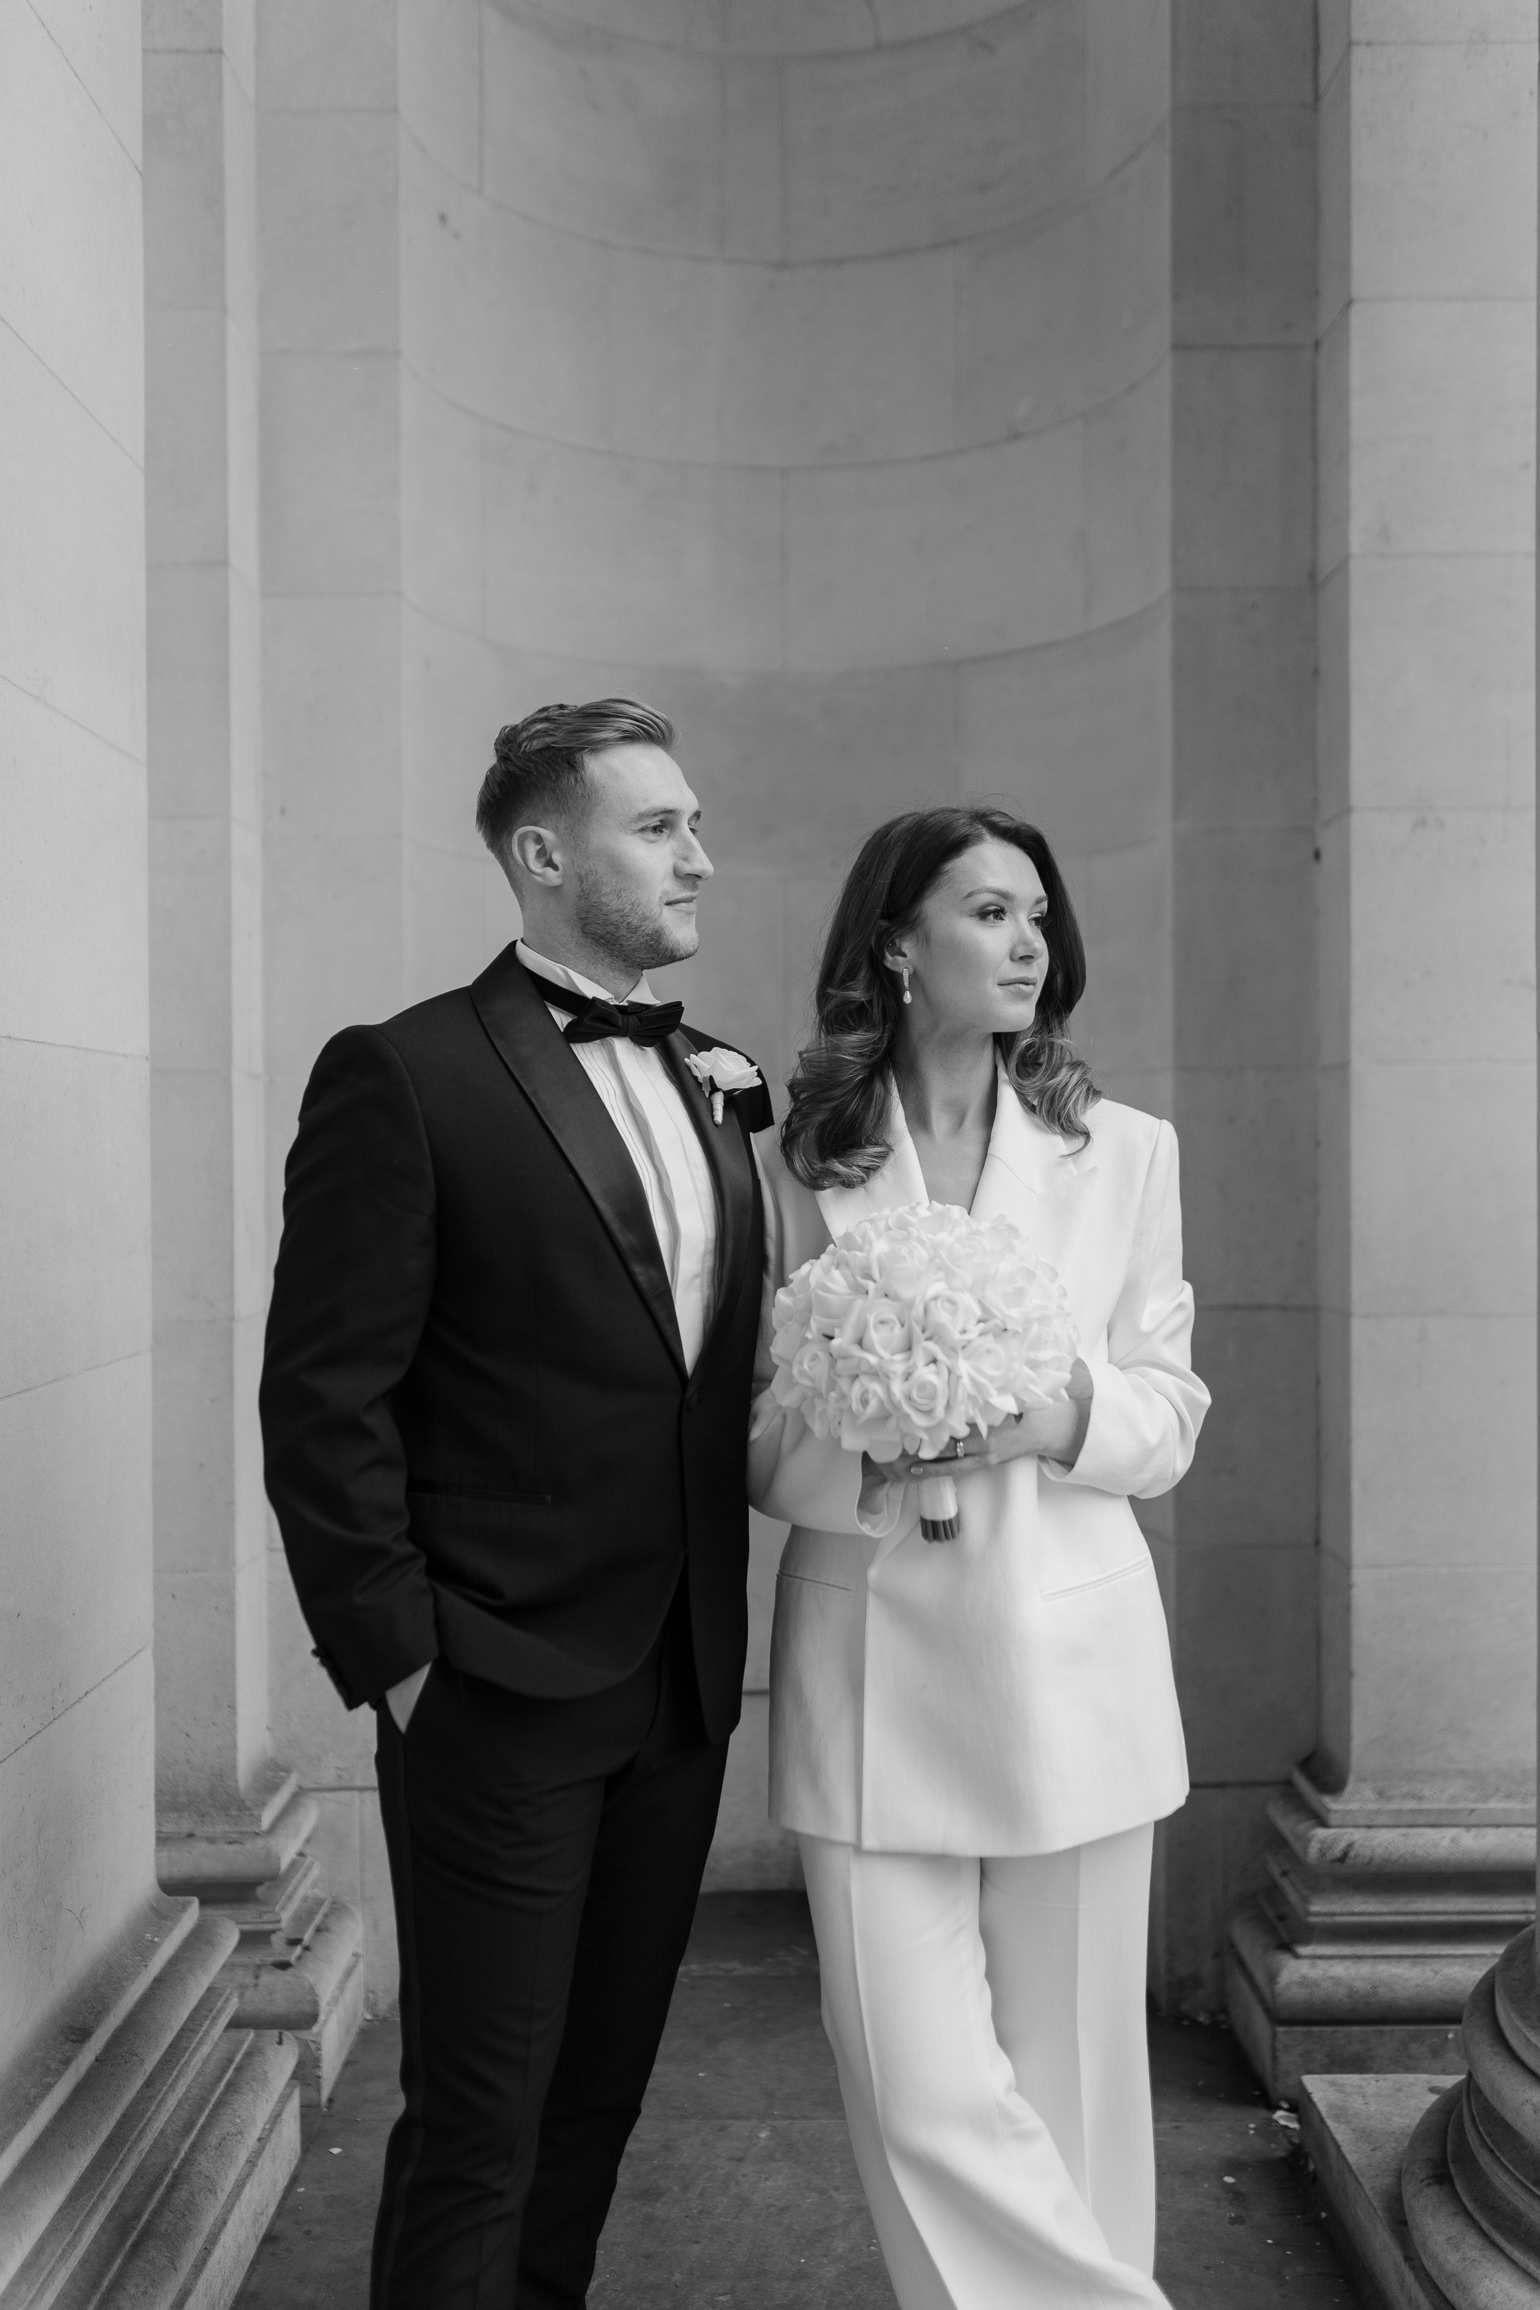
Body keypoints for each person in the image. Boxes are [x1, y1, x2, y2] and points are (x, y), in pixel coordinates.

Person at [260, 698, 772, 2309]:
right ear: (545, 857)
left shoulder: (711, 1077)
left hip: (681, 1686)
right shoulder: (405, 1074)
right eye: (659, 826)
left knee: (597, 2106)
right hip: (490, 1688)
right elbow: (322, 1396)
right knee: (480, 2122)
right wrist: (406, 1660)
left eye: (693, 821)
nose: (700, 852)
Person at [749, 804, 1209, 2310]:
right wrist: (866, 1438)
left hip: (1070, 1658)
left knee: (1078, 2091)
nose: (1030, 944)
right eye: (990, 913)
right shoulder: (791, 1163)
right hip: (868, 1657)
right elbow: (745, 1437)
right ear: (896, 942)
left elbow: (1171, 1408)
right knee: (914, 2083)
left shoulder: (1125, 1152)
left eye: (1038, 917)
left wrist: (1049, 1416)